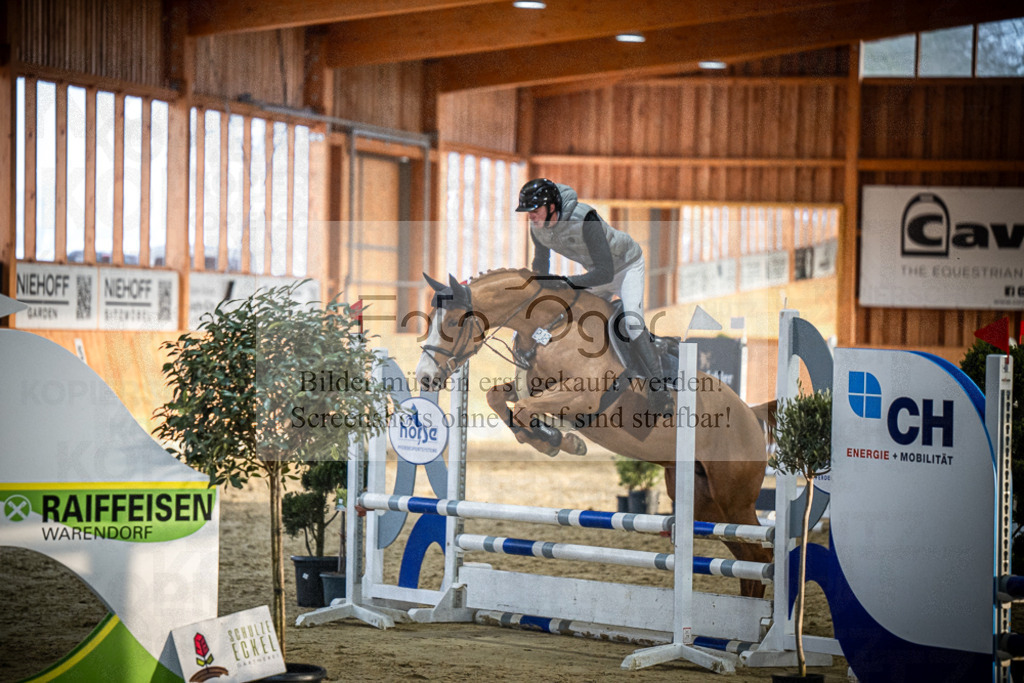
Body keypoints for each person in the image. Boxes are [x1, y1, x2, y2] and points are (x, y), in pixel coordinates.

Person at [515, 178, 670, 412]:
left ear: (552, 207)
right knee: (568, 314)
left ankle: (659, 389)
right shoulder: (537, 229)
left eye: (535, 210)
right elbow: (540, 265)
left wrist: (566, 282)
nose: (531, 216)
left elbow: (606, 273)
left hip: (626, 267)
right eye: (528, 212)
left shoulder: (586, 219)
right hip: (597, 272)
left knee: (633, 324)